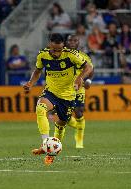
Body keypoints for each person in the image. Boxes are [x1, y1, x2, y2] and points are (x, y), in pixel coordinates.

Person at [23, 33, 92, 165]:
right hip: (51, 92)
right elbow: (37, 71)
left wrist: (80, 78)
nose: (57, 53)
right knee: (40, 109)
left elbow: (89, 67)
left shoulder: (71, 55)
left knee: (60, 125)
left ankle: (52, 152)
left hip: (68, 96)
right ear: (49, 44)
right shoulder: (42, 55)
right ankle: (46, 144)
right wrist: (30, 83)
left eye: (60, 50)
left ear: (63, 46)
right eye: (54, 50)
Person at [66, 34, 94, 148]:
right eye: (70, 40)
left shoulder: (84, 56)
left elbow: (91, 71)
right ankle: (79, 126)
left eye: (75, 40)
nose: (72, 42)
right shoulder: (62, 55)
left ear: (78, 43)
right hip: (64, 88)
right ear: (67, 42)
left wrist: (88, 81)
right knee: (64, 116)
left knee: (79, 112)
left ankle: (79, 141)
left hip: (79, 88)